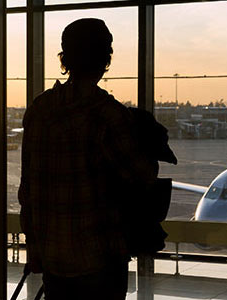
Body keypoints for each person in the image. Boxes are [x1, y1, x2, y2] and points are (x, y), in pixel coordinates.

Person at [18, 18, 157, 300]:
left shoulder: (39, 109)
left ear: (65, 58)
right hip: (99, 258)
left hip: (53, 258)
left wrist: (34, 247)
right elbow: (143, 174)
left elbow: (28, 190)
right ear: (105, 59)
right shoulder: (107, 114)